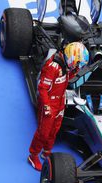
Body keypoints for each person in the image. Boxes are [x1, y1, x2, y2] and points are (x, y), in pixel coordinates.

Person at [28, 42, 89, 171]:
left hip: (60, 103)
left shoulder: (66, 66)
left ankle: (47, 152)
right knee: (43, 133)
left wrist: (76, 71)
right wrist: (46, 107)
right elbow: (42, 88)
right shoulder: (52, 67)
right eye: (77, 63)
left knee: (54, 130)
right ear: (71, 58)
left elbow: (67, 79)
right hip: (49, 104)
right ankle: (33, 156)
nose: (77, 66)